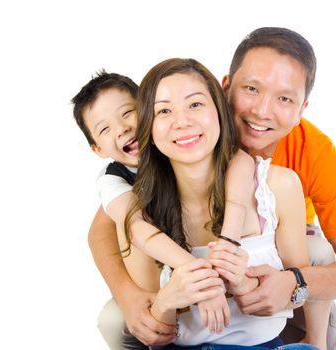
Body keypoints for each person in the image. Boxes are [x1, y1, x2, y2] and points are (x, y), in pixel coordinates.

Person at [89, 27, 336, 349]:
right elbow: (109, 229)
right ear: (225, 89)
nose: (262, 111)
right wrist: (133, 297)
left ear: (301, 109)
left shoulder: (305, 159)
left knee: (318, 252)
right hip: (185, 300)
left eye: (284, 98)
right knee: (115, 320)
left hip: (279, 266)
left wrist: (293, 282)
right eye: (251, 89)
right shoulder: (176, 147)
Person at [121, 57, 318, 348]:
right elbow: (151, 333)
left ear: (219, 110)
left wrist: (244, 284)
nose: (182, 121)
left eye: (196, 104)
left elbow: (296, 293)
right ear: (148, 127)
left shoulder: (278, 187)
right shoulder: (138, 214)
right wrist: (167, 300)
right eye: (163, 110)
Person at [72, 71, 258, 334]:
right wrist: (198, 275)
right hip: (165, 269)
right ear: (98, 149)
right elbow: (130, 226)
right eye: (105, 128)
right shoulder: (114, 179)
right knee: (113, 322)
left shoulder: (179, 140)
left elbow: (238, 157)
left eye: (127, 113)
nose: (123, 128)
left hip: (222, 247)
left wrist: (228, 243)